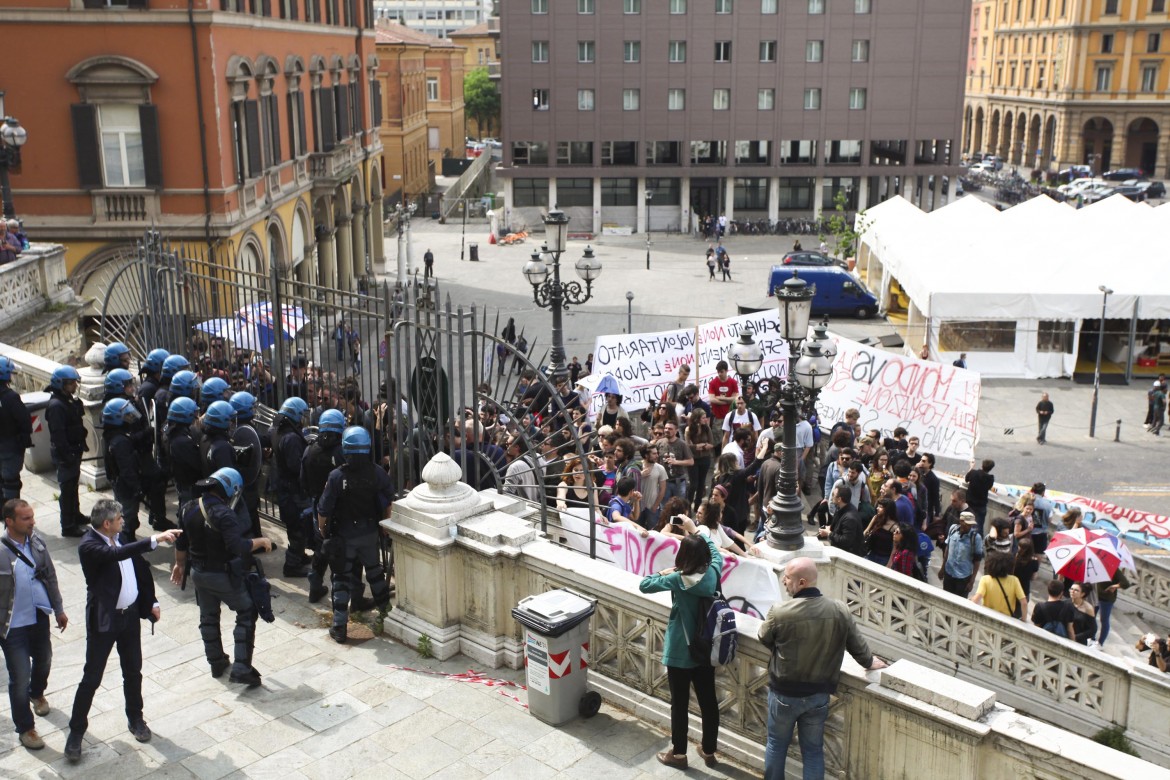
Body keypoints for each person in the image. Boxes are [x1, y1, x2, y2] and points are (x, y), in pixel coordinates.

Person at [65, 499, 182, 764]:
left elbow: (139, 570)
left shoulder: (120, 538)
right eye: (119, 519)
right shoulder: (90, 546)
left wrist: (150, 601)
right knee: (92, 677)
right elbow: (116, 556)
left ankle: (136, 718)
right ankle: (75, 733)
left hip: (129, 617)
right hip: (104, 620)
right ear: (107, 524)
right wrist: (155, 539)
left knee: (133, 670)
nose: (123, 522)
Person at [758, 557, 886, 780]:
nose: (784, 581)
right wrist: (870, 663)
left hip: (784, 694)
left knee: (777, 745)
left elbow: (763, 637)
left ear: (802, 582)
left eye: (787, 577)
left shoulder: (780, 612)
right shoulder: (839, 610)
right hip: (818, 695)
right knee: (813, 751)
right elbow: (860, 650)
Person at [171, 468, 273, 685]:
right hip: (222, 574)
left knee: (208, 616)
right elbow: (238, 547)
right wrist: (261, 542)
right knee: (247, 611)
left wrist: (179, 565)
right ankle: (242, 667)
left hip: (198, 573)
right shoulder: (225, 514)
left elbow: (181, 542)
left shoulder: (188, 507)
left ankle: (216, 662)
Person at [638, 517, 722, 770]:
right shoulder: (712, 573)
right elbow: (716, 553)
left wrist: (666, 572)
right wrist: (695, 530)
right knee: (708, 701)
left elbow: (645, 585)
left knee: (680, 704)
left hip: (680, 649)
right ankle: (708, 750)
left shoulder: (678, 578)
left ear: (682, 556)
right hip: (706, 649)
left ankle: (679, 754)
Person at [0, 499, 68, 750]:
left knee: (45, 659)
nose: (33, 522)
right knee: (19, 677)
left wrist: (58, 609)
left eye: (32, 517)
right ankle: (26, 728)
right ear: (10, 521)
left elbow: (49, 575)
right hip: (12, 626)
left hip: (38, 617)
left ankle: (37, 693)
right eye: (26, 518)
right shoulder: (1, 551)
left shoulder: (36, 541)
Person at [317, 427, 394, 644]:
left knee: (340, 579)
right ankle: (386, 615)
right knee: (375, 574)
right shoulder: (377, 472)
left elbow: (324, 511)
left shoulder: (336, 476)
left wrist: (324, 532)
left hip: (343, 536)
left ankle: (339, 627)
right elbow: (388, 502)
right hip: (369, 532)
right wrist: (384, 527)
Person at [302, 409, 346, 603]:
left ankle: (315, 584)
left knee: (321, 546)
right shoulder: (343, 451)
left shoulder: (309, 449)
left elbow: (302, 480)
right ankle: (342, 594)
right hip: (342, 507)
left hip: (318, 505)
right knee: (342, 550)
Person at [271, 398, 312, 577]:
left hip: (285, 488)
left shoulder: (278, 431)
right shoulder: (292, 438)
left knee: (295, 525)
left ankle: (299, 555)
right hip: (292, 491)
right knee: (298, 527)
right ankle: (292, 565)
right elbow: (296, 467)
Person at [45, 365, 88, 537]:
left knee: (73, 487)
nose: (74, 386)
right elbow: (58, 435)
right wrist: (67, 455)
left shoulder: (67, 401)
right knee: (67, 489)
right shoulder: (57, 405)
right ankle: (68, 525)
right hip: (66, 453)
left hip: (73, 450)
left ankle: (75, 516)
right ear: (61, 384)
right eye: (71, 383)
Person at [102, 399, 146, 543]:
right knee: (127, 520)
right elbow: (127, 469)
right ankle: (128, 552)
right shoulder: (120, 442)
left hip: (120, 483)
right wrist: (137, 488)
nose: (129, 418)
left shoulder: (112, 436)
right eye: (125, 416)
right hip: (125, 486)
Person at [0, 357, 32, 501]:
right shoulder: (10, 397)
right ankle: (13, 516)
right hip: (10, 446)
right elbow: (24, 419)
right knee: (11, 483)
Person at [939, 510, 984, 597]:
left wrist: (972, 581)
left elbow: (977, 561)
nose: (969, 526)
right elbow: (947, 550)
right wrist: (942, 568)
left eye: (971, 524)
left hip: (963, 578)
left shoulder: (976, 538)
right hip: (949, 573)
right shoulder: (952, 529)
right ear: (961, 521)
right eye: (967, 523)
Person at [971, 552, 1026, 621]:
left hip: (987, 618)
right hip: (1006, 620)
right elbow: (1024, 602)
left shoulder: (985, 579)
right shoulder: (1014, 580)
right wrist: (1024, 619)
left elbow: (976, 600)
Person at [817, 485, 866, 557]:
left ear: (839, 499)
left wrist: (829, 533)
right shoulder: (842, 507)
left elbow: (846, 540)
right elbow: (840, 525)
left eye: (833, 494)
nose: (832, 496)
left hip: (847, 555)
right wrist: (829, 527)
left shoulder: (850, 518)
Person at [1096, 568, 1131, 646]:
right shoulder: (1098, 565)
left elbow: (1126, 584)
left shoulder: (1114, 569)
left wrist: (1115, 586)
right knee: (1091, 617)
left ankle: (1100, 643)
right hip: (1096, 594)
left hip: (1106, 598)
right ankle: (1091, 638)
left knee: (1104, 620)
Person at [963, 458, 995, 533]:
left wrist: (971, 467)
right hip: (981, 505)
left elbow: (966, 479)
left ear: (982, 465)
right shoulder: (990, 478)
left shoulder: (973, 473)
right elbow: (989, 487)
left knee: (965, 523)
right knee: (978, 526)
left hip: (969, 503)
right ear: (990, 468)